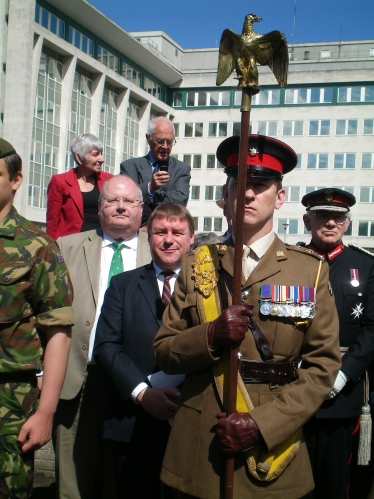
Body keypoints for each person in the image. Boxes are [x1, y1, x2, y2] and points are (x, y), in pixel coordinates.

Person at [152, 134, 342, 499]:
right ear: (227, 193)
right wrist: (209, 336)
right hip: (200, 448)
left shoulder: (309, 271)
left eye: (260, 185)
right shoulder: (197, 263)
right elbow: (163, 350)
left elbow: (322, 367)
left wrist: (261, 426)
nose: (249, 194)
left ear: (280, 197)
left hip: (273, 449)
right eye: (239, 185)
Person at [53, 175, 151, 499]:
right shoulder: (67, 247)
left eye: (129, 201)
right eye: (112, 200)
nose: (120, 206)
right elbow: (48, 313)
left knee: (126, 478)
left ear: (141, 209)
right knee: (73, 479)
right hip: (78, 380)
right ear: (100, 206)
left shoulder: (161, 251)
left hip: (139, 383)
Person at [94, 202, 195, 499]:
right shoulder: (123, 285)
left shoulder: (211, 288)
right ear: (147, 236)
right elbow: (106, 346)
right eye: (159, 231)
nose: (168, 239)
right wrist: (142, 392)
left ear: (191, 238)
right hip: (132, 422)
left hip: (189, 418)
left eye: (177, 232)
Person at [0, 138, 73, 498]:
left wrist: (46, 412)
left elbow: (58, 331)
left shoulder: (37, 245)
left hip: (9, 403)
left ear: (15, 180)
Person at [301, 188, 374, 499]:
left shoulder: (367, 266)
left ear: (346, 223)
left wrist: (343, 374)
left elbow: (372, 327)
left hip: (341, 397)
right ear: (307, 220)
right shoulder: (293, 263)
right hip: (297, 389)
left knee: (335, 484)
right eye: (322, 216)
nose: (330, 223)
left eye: (338, 217)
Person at [46, 133, 113, 239]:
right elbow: (52, 222)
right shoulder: (59, 182)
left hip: (102, 242)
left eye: (101, 154)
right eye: (95, 155)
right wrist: (52, 249)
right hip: (71, 244)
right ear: (79, 158)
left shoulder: (109, 180)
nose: (101, 159)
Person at [120, 117, 190, 210]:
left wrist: (149, 199)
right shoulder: (129, 167)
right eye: (160, 141)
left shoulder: (181, 169)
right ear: (148, 138)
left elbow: (181, 200)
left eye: (169, 142)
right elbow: (126, 198)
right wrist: (150, 187)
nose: (165, 146)